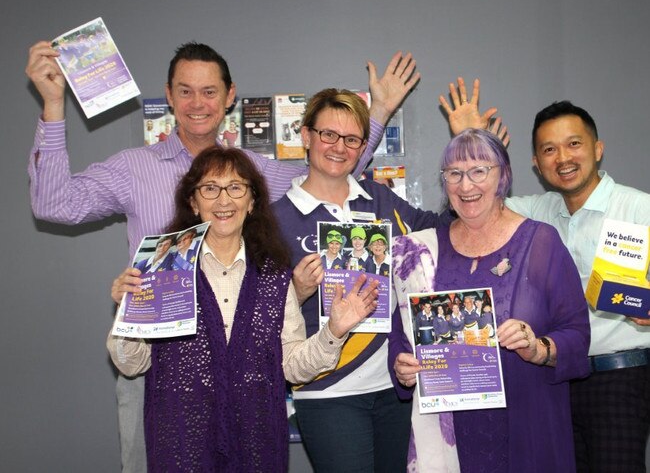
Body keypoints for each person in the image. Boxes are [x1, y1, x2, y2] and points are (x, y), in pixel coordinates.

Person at [25, 38, 420, 472]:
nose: (198, 102)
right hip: (160, 368)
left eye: (209, 91)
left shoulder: (255, 168)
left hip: (244, 378)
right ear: (169, 93)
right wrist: (53, 105)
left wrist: (377, 114)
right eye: (186, 90)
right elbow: (53, 204)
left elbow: (330, 168)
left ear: (229, 96)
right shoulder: (131, 167)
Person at [108, 147, 380, 471]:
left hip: (256, 447)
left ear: (251, 202)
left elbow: (291, 365)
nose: (224, 200)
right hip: (181, 446)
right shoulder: (163, 271)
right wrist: (128, 316)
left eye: (236, 187)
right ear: (193, 202)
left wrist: (334, 332)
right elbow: (130, 364)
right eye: (210, 188)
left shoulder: (274, 275)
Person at [443, 78, 650, 472]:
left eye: (574, 144)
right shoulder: (533, 211)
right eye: (548, 150)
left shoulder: (639, 209)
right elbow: (478, 201)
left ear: (598, 149)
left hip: (618, 378)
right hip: (552, 379)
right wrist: (471, 141)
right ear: (536, 164)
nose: (563, 158)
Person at [390, 129, 591, 472]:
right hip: (451, 442)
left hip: (528, 429)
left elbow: (576, 334)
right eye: (454, 173)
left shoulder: (540, 242)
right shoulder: (423, 251)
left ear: (503, 177)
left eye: (479, 171)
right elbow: (401, 334)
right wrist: (402, 366)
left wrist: (537, 347)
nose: (466, 186)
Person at [271, 88, 449, 472]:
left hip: (394, 387)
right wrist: (296, 291)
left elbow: (441, 232)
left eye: (352, 139)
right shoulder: (275, 220)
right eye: (328, 135)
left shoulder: (380, 200)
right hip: (327, 389)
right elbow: (259, 313)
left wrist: (470, 174)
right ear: (306, 135)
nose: (339, 147)